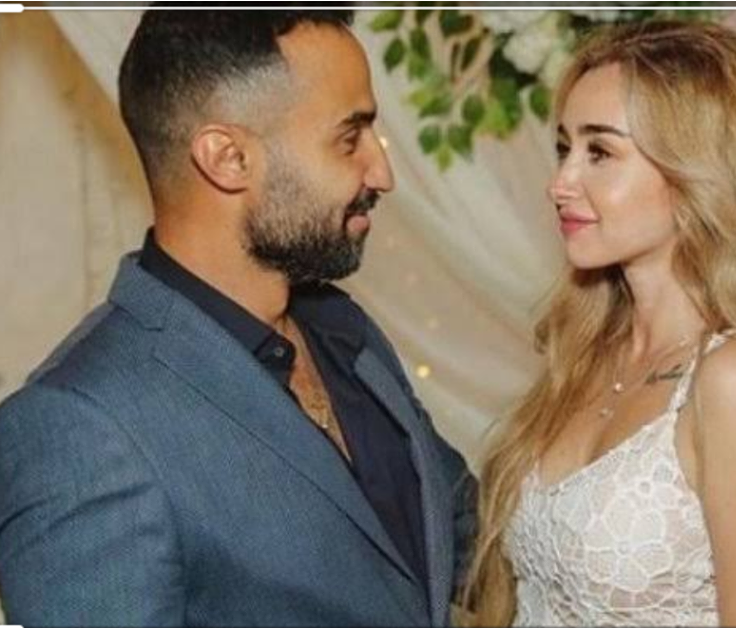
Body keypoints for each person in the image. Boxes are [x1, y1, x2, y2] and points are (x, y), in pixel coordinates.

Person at [0, 5, 475, 626]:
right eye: (349, 137)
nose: (380, 174)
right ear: (227, 158)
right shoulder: (78, 430)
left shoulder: (341, 329)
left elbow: (465, 538)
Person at [464, 21, 736, 627]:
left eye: (600, 153)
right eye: (565, 148)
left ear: (697, 173)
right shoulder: (591, 353)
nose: (560, 184)